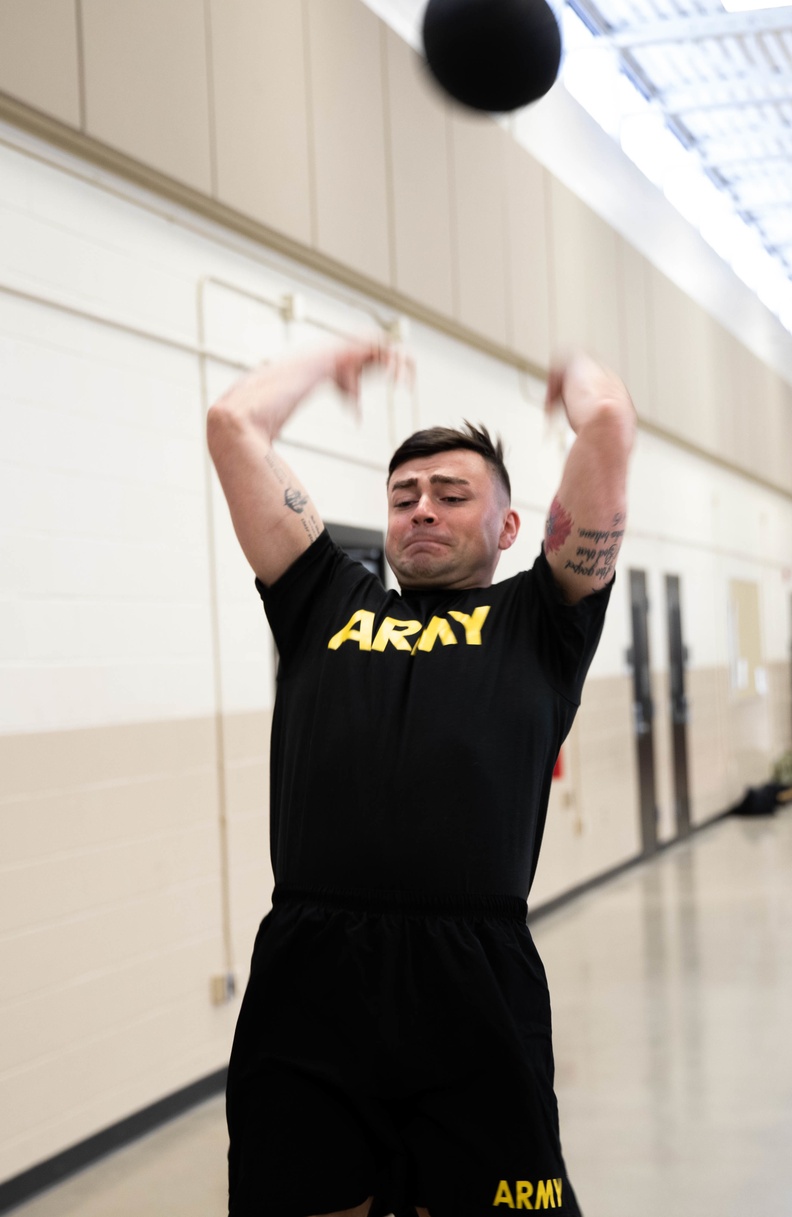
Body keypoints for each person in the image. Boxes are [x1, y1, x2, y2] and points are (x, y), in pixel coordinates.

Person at [206, 338, 636, 1217]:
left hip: (472, 981)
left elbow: (610, 426)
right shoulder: (326, 599)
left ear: (509, 528)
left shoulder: (541, 622)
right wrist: (326, 361)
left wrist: (578, 382)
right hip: (312, 974)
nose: (423, 511)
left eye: (451, 494)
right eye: (405, 497)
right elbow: (233, 424)